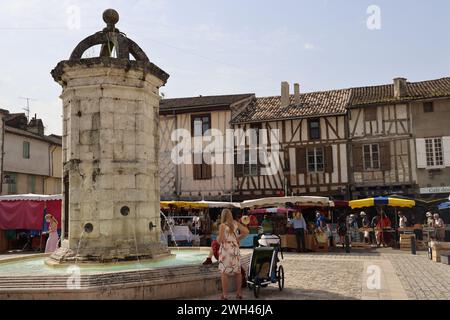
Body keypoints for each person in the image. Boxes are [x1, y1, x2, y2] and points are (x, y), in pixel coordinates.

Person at [218, 209, 249, 300]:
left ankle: (225, 295)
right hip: (235, 248)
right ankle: (239, 293)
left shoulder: (222, 226)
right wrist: (238, 239)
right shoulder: (235, 223)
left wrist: (217, 239)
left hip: (226, 250)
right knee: (238, 272)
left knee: (224, 273)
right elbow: (246, 232)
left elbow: (221, 240)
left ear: (223, 216)